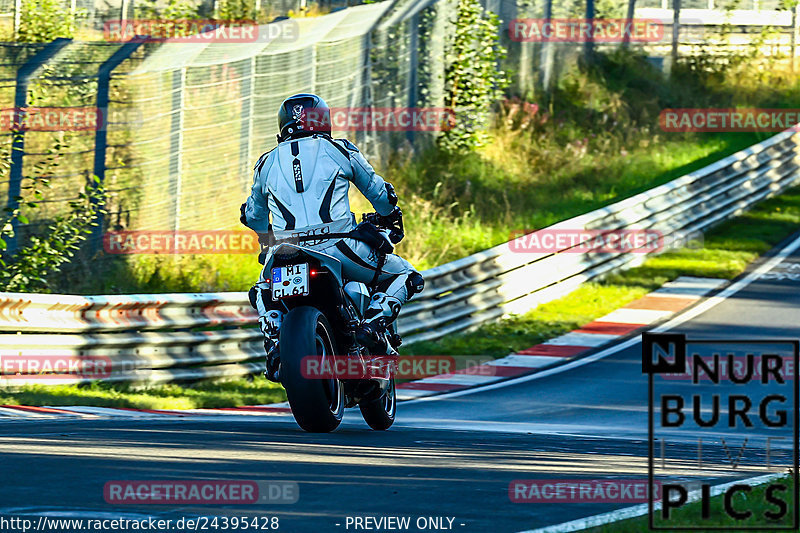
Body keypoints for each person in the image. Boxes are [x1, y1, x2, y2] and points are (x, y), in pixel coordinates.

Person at [239, 93, 424, 381]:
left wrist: (269, 235)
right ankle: (372, 325)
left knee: (261, 289)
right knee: (407, 276)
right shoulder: (338, 149)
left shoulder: (265, 163)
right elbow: (380, 194)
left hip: (285, 251)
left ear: (283, 125)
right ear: (323, 121)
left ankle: (274, 339)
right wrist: (389, 214)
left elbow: (253, 217)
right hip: (339, 247)